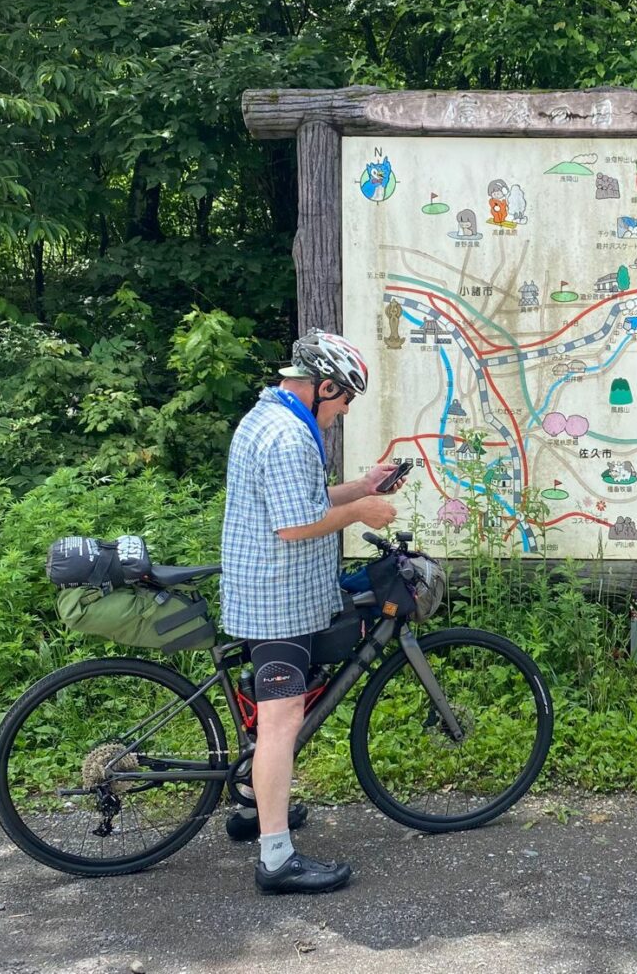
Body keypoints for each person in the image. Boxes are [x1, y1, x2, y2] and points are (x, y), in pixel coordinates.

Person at [218, 329, 405, 895]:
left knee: (276, 714)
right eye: (345, 398)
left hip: (275, 591)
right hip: (275, 599)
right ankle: (276, 860)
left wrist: (361, 487)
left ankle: (253, 807)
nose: (345, 409)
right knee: (282, 722)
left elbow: (305, 500)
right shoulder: (287, 436)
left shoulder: (274, 418)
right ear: (323, 387)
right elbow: (295, 526)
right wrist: (363, 511)